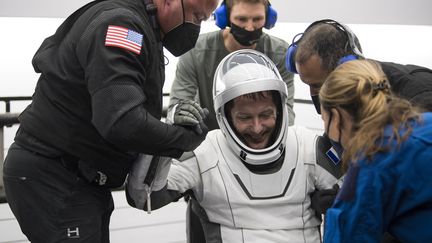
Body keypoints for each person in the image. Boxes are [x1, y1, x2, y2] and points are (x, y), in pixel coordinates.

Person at [2, 0, 218, 242]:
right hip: (57, 177)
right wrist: (185, 140)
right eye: (197, 16)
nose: (197, 26)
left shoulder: (142, 26)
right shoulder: (122, 26)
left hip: (81, 179)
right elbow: (122, 121)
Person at [127, 50, 341, 242]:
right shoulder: (206, 151)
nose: (257, 128)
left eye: (266, 115)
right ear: (225, 116)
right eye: (245, 117)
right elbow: (144, 197)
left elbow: (357, 198)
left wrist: (336, 203)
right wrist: (169, 135)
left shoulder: (307, 146)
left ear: (280, 110)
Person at [284, 18, 432, 219]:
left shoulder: (421, 100)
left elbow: (411, 180)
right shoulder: (342, 110)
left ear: (346, 67)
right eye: (308, 85)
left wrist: (352, 201)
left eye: (319, 86)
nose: (315, 95)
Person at [318, 59, 432, 242]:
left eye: (324, 120)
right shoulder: (425, 123)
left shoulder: (374, 160)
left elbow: (346, 236)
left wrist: (340, 208)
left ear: (336, 117)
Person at [168, 0, 295, 131]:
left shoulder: (280, 53)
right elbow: (178, 106)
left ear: (268, 19)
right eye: (242, 19)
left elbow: (286, 111)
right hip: (208, 141)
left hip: (263, 141)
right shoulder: (195, 51)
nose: (250, 27)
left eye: (257, 19)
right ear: (225, 17)